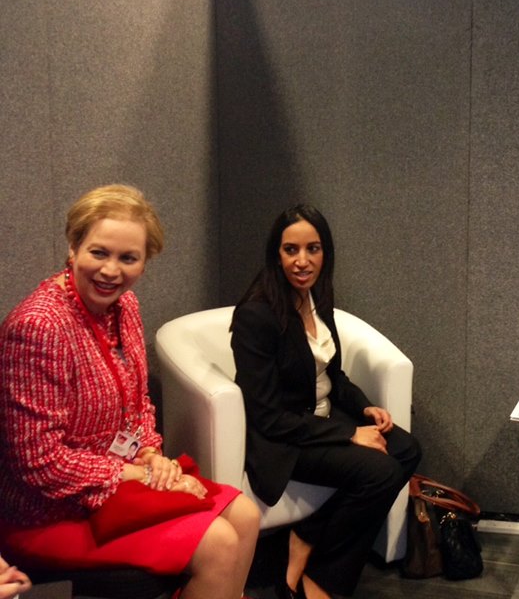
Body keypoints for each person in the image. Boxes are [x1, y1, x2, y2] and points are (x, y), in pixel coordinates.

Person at [0, 185, 261, 599]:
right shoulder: (39, 327)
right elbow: (40, 463)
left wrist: (153, 456)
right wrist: (139, 475)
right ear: (73, 247)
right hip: (49, 515)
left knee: (245, 516)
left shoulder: (126, 307)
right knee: (219, 543)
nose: (111, 271)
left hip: (119, 489)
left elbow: (137, 405)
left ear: (145, 261)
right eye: (99, 252)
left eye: (128, 258)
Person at [230, 204, 421, 599]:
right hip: (285, 440)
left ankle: (306, 536)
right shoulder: (256, 316)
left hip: (321, 421)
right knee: (380, 472)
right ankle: (322, 583)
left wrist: (365, 408)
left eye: (312, 249)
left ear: (325, 253)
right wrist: (350, 434)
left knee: (406, 449)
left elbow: (333, 375)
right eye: (291, 250)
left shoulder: (316, 297)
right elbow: (268, 417)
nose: (302, 261)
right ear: (276, 255)